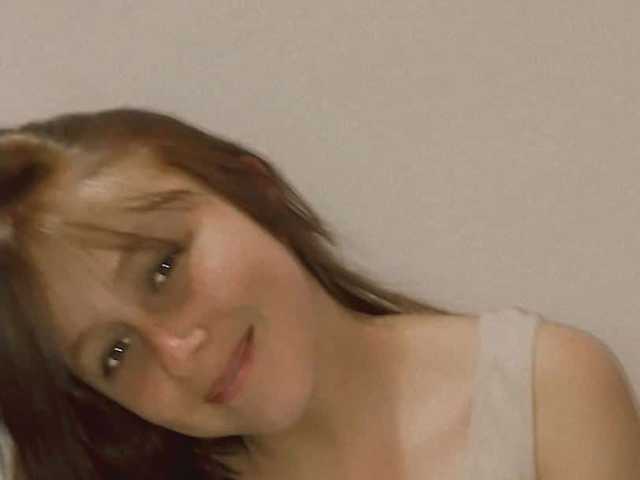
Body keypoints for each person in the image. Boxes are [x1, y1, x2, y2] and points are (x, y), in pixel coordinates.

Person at [0, 109, 638, 480]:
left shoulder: (544, 389)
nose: (177, 352)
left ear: (254, 190)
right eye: (114, 354)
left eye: (163, 269)